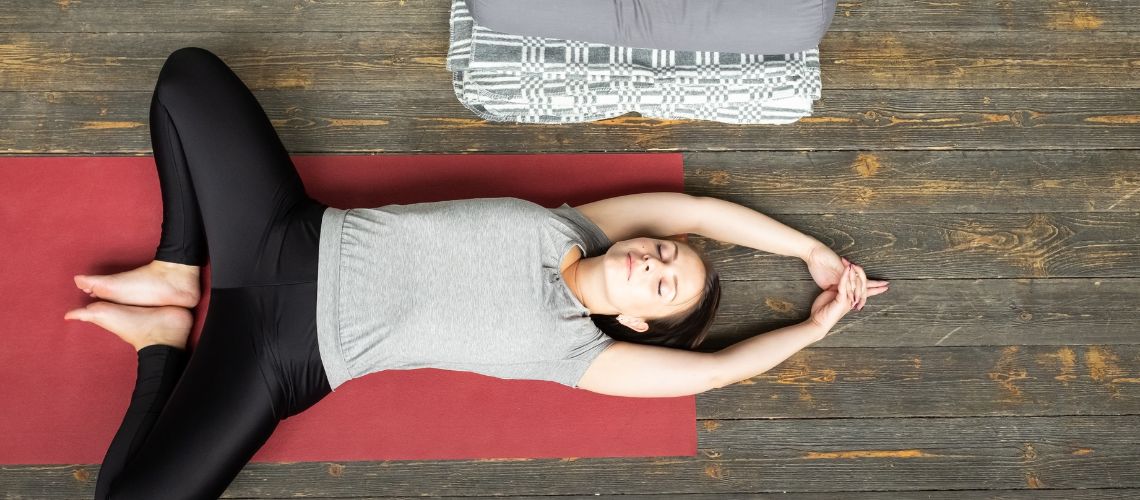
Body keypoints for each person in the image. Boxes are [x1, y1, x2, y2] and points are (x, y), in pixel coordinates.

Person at [64, 47, 888, 500]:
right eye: (666, 254)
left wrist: (813, 326)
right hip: (285, 236)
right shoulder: (583, 226)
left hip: (280, 357)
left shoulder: (583, 357)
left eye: (662, 285)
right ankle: (177, 272)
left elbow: (719, 368)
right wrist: (808, 252)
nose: (654, 262)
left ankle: (162, 341)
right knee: (187, 76)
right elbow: (699, 209)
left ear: (638, 323)